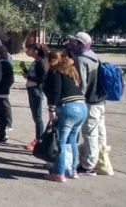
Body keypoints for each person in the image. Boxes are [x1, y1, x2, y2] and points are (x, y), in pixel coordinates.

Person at [43, 51, 87, 182]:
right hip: (82, 106)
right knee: (72, 140)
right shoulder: (70, 71)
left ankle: (59, 172)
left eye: (46, 60)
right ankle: (73, 170)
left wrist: (51, 110)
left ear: (51, 61)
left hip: (68, 107)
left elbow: (55, 92)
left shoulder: (54, 71)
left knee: (61, 141)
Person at [68, 32, 107, 177]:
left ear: (81, 44)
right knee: (100, 133)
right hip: (100, 100)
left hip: (90, 102)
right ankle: (101, 161)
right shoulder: (94, 56)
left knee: (90, 134)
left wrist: (76, 100)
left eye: (75, 42)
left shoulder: (80, 59)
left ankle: (88, 166)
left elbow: (81, 84)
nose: (72, 44)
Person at [22, 43, 48, 150]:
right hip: (31, 89)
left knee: (37, 117)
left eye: (30, 49)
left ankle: (39, 140)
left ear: (36, 50)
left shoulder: (41, 62)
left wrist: (29, 77)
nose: (28, 51)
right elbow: (34, 76)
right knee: (35, 116)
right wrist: (25, 70)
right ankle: (39, 139)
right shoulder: (36, 61)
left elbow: (42, 79)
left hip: (37, 91)